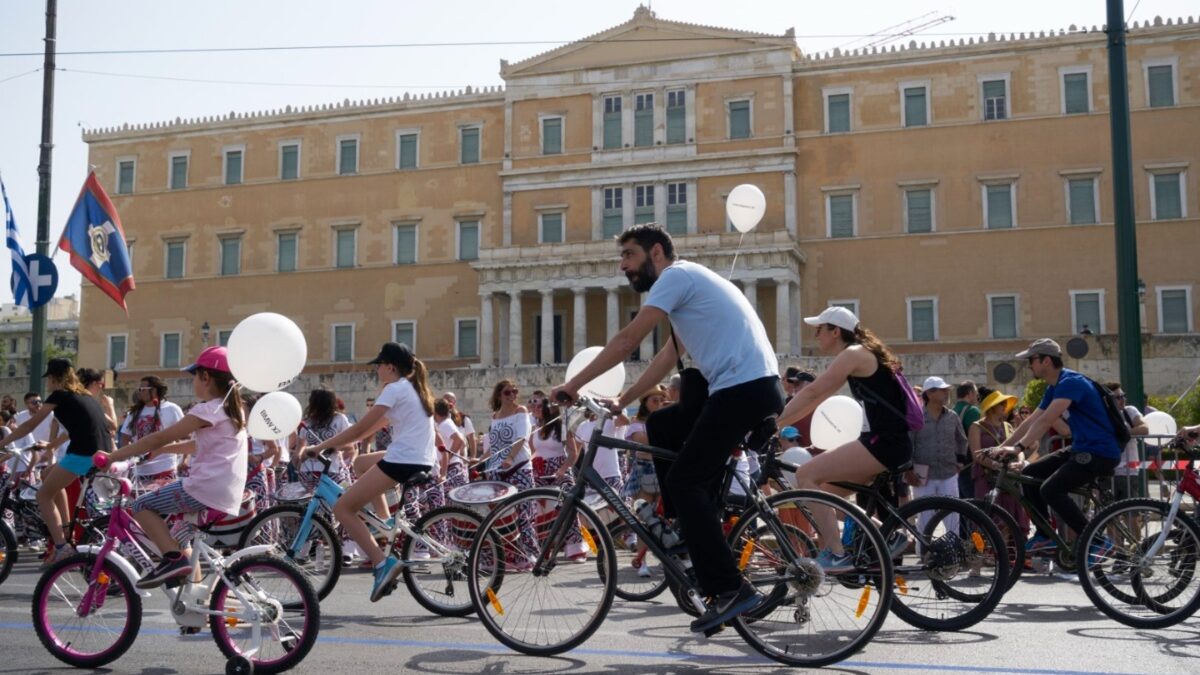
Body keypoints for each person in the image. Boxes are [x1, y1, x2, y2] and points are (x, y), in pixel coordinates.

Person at [552, 223, 782, 633]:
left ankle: (731, 589)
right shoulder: (688, 287)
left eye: (629, 256)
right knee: (661, 423)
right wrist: (622, 402)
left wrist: (572, 385)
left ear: (656, 252)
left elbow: (626, 341)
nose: (623, 266)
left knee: (684, 481)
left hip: (742, 390)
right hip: (745, 388)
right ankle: (688, 528)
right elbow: (664, 358)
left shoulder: (676, 277)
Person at [100, 346, 248, 588]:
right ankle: (195, 602)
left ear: (206, 377)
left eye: (194, 377)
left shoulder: (206, 409)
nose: (193, 383)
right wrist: (166, 450)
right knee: (181, 539)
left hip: (203, 489)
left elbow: (159, 437)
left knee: (141, 505)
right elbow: (198, 445)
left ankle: (171, 561)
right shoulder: (231, 411)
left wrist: (112, 456)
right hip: (225, 492)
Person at [777, 306, 912, 567]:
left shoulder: (853, 354)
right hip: (887, 442)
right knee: (822, 495)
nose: (816, 336)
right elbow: (814, 398)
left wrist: (775, 420)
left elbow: (814, 392)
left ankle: (838, 555)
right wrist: (781, 422)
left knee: (805, 475)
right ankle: (889, 534)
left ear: (835, 331)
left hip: (883, 443)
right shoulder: (862, 353)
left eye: (819, 330)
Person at [302, 342, 437, 602]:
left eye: (379, 365)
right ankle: (386, 523)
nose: (376, 370)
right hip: (418, 458)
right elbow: (367, 431)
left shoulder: (394, 389)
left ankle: (381, 563)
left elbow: (360, 426)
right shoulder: (412, 388)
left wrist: (319, 446)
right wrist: (340, 445)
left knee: (342, 509)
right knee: (361, 464)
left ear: (390, 367)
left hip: (403, 460)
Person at [997, 339, 1122, 559]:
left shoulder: (1070, 382)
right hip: (1083, 448)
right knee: (1030, 473)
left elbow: (1046, 421)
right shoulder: (1055, 386)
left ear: (1046, 360)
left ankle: (1097, 541)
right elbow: (1031, 421)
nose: (1029, 366)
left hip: (1099, 452)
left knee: (1051, 489)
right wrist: (1001, 447)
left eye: (1031, 360)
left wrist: (1017, 448)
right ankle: (1044, 535)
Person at [4, 359, 111, 569]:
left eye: (49, 380)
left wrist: (3, 442)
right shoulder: (84, 395)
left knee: (42, 495)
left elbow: (29, 425)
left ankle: (62, 547)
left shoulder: (60, 395)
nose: (48, 384)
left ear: (54, 378)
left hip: (83, 453)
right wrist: (51, 445)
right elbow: (73, 430)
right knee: (49, 475)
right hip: (101, 452)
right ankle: (66, 528)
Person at [906, 377, 967, 534]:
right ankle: (924, 554)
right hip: (922, 476)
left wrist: (960, 462)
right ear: (930, 393)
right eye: (943, 390)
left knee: (953, 516)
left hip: (949, 474)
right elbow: (908, 443)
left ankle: (953, 554)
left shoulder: (952, 416)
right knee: (925, 518)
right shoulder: (916, 417)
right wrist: (908, 470)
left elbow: (962, 440)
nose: (947, 393)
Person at [119, 375, 185, 487]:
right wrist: (130, 458)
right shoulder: (134, 412)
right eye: (139, 389)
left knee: (164, 503)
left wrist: (183, 460)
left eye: (142, 389)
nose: (139, 392)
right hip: (141, 471)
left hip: (165, 468)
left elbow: (184, 436)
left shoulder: (172, 409)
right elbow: (125, 437)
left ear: (154, 390)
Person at [1105, 382, 1150, 500]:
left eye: (1123, 395)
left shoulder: (1129, 411)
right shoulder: (1102, 414)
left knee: (1131, 514)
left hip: (1128, 471)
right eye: (1118, 397)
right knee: (1106, 514)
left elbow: (1144, 428)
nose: (1123, 399)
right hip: (1106, 470)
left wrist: (1122, 434)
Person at [442, 392, 478, 461]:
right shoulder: (438, 418)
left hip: (459, 459)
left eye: (449, 401)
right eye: (445, 400)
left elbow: (472, 437)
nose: (447, 403)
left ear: (454, 402)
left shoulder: (463, 418)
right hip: (442, 458)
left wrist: (473, 457)